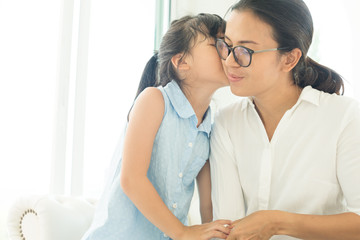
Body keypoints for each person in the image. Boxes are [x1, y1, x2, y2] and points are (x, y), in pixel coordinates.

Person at [209, 0, 360, 239]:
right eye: (226, 46)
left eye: (244, 51)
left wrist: (277, 222)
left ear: (289, 59)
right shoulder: (226, 123)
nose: (229, 61)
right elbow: (229, 227)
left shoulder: (344, 117)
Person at [81, 13, 231, 240]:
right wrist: (182, 232)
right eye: (216, 44)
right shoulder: (154, 100)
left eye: (228, 45)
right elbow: (131, 179)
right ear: (182, 62)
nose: (228, 53)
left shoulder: (209, 125)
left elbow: (207, 207)